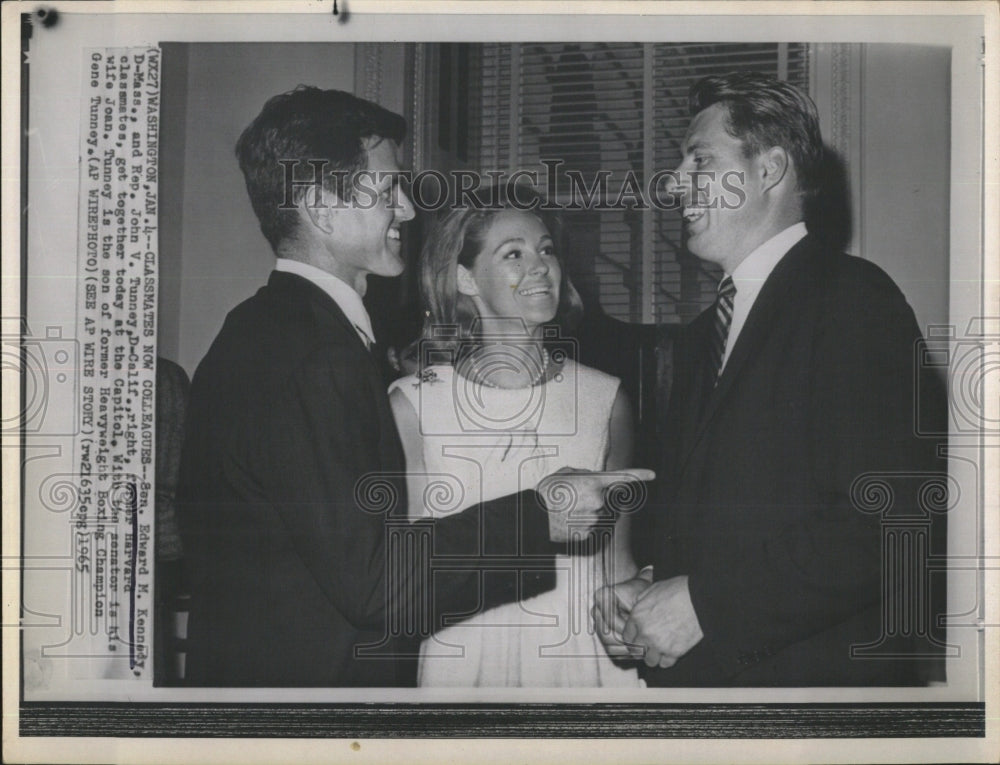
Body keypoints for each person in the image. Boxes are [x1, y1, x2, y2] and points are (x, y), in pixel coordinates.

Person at [175, 87, 652, 687]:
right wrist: (540, 514)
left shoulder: (276, 331)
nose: (405, 209)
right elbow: (375, 583)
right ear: (322, 208)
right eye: (387, 190)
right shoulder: (310, 353)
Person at [594, 72, 947, 686]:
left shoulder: (853, 299)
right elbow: (739, 520)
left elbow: (893, 521)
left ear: (770, 170)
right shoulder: (706, 329)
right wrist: (655, 588)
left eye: (699, 160)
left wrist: (706, 604)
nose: (676, 183)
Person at [389, 185, 644, 687]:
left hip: (582, 662)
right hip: (464, 660)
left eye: (546, 249)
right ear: (465, 277)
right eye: (513, 253)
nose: (540, 265)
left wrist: (639, 600)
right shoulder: (414, 404)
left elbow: (617, 566)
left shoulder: (605, 400)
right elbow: (408, 576)